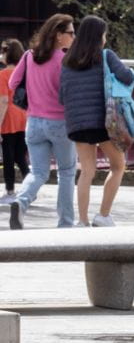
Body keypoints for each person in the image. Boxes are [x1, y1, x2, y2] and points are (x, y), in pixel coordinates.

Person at [59, 15, 134, 227]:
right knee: (118, 166)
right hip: (103, 122)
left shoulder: (67, 61)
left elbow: (61, 96)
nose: (105, 38)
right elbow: (127, 78)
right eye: (104, 34)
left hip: (77, 123)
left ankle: (82, 220)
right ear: (98, 36)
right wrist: (131, 72)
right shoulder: (106, 56)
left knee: (87, 171)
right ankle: (103, 215)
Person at [7, 14, 77, 229]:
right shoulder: (64, 62)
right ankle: (65, 222)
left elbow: (12, 83)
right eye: (71, 33)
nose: (74, 37)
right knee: (66, 172)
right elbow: (70, 93)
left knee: (38, 172)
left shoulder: (29, 56)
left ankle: (21, 202)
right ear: (58, 35)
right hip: (59, 123)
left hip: (34, 122)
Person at [0, 39, 30, 201]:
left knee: (8, 157)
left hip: (9, 119)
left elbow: (4, 101)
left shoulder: (2, 74)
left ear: (7, 53)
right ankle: (29, 188)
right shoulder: (24, 73)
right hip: (24, 116)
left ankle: (10, 191)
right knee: (21, 156)